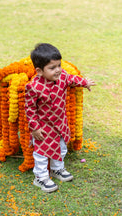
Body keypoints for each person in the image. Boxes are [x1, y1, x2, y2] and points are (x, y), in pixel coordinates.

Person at [25, 43, 96, 193]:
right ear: (39, 71)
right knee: (42, 153)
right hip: (43, 127)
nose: (57, 70)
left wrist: (85, 83)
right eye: (52, 68)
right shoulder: (34, 87)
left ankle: (57, 169)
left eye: (59, 65)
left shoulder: (62, 76)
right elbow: (30, 109)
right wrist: (35, 128)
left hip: (60, 123)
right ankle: (41, 177)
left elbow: (71, 79)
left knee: (61, 147)